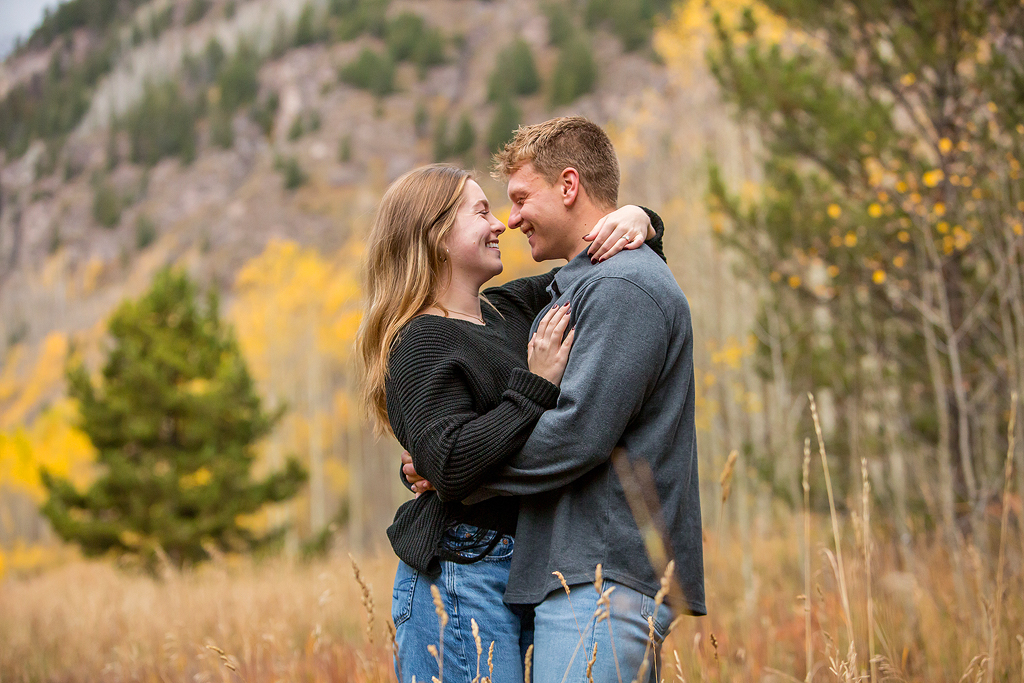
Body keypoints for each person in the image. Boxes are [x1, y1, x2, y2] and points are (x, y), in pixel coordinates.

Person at [407, 117, 706, 682]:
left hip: (603, 579)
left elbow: (575, 435)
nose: (510, 218)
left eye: (520, 198)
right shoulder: (581, 286)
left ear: (569, 187)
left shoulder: (622, 287)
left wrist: (462, 476)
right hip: (581, 580)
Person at [355, 163, 663, 683]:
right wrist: (534, 387)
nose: (501, 224)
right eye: (481, 212)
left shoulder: (507, 310)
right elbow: (449, 464)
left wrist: (641, 218)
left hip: (522, 571)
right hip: (457, 575)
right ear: (436, 236)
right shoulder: (419, 341)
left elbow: (604, 272)